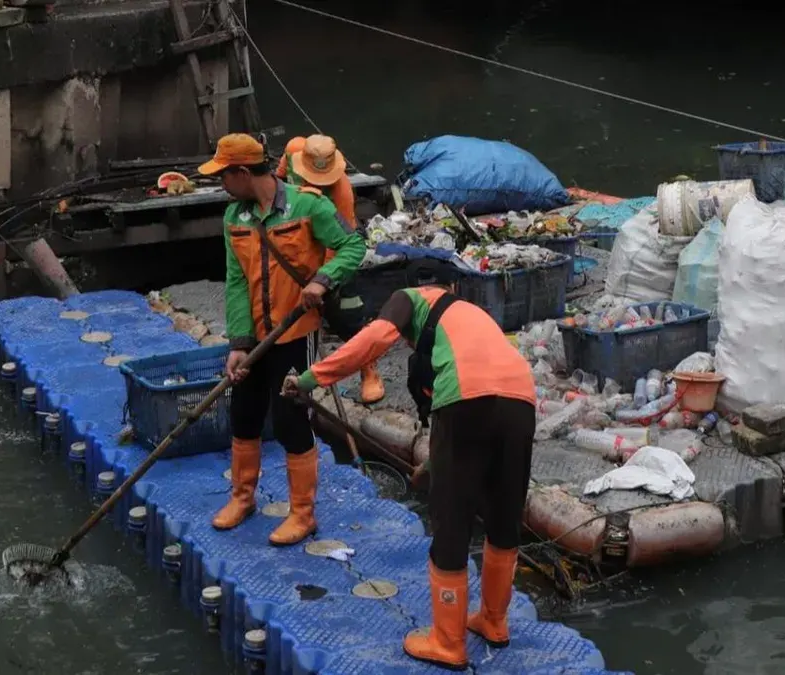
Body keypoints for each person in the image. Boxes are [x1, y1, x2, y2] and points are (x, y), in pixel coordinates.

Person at [282, 260, 536, 670]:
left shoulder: (411, 298)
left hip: (467, 401)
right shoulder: (469, 317)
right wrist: (433, 466)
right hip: (522, 401)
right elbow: (477, 413)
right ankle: (493, 621)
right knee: (504, 517)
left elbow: (373, 340)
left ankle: (448, 642)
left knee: (451, 520)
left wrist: (310, 379)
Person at [199, 133, 366, 546]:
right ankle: (243, 498)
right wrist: (239, 344)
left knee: (291, 420)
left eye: (224, 175)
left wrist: (323, 279)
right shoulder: (234, 218)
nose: (221, 184)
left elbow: (352, 245)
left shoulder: (308, 206)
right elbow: (237, 282)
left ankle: (302, 513)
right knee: (244, 413)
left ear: (242, 172)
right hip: (255, 337)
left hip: (295, 332)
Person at [275, 134, 385, 404]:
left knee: (349, 312)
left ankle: (368, 368)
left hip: (331, 247)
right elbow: (276, 182)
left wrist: (324, 280)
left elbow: (341, 244)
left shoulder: (341, 191)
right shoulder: (292, 151)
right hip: (296, 239)